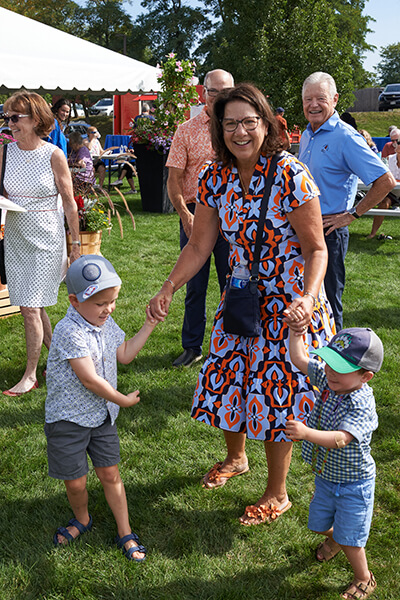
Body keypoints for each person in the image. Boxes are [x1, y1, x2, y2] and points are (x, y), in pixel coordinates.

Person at [149, 82, 334, 525]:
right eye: (230, 123)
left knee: (276, 395)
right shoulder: (216, 177)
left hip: (290, 304)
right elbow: (199, 245)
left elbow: (316, 249)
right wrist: (169, 286)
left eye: (248, 122)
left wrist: (307, 299)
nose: (239, 132)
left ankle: (277, 492)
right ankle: (236, 459)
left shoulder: (291, 173)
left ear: (265, 124)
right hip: (241, 295)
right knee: (232, 379)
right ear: (219, 128)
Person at [45, 255, 160, 561]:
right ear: (74, 301)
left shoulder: (105, 322)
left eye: (112, 301)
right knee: (76, 481)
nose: (108, 309)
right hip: (67, 419)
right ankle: (82, 519)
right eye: (100, 303)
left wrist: (148, 326)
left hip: (101, 417)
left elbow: (123, 354)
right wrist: (121, 399)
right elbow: (90, 380)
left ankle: (125, 531)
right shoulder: (69, 330)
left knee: (110, 474)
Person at [285, 326, 383, 600]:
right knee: (317, 524)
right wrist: (296, 332)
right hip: (328, 476)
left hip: (355, 484)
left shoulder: (361, 403)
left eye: (338, 368)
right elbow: (300, 359)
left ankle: (364, 578)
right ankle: (337, 537)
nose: (328, 371)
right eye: (328, 362)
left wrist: (306, 433)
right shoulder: (332, 380)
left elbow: (341, 438)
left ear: (365, 376)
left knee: (352, 540)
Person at [298, 72, 395, 332]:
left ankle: (335, 365)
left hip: (329, 231)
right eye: (308, 99)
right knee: (303, 296)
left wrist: (352, 214)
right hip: (300, 229)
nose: (313, 104)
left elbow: (385, 181)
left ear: (335, 99)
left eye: (321, 98)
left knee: (328, 301)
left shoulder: (346, 137)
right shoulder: (308, 134)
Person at [1, 91, 80, 396]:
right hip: (17, 235)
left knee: (32, 309)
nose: (10, 123)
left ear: (35, 119)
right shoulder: (6, 152)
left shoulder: (53, 154)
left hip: (46, 237)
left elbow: (70, 202)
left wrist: (75, 246)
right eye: (7, 117)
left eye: (15, 118)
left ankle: (31, 375)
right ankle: (60, 357)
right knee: (30, 305)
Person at [166, 69, 234, 368]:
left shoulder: (240, 127)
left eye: (225, 91)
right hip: (196, 215)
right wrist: (184, 214)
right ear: (203, 93)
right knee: (194, 286)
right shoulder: (187, 130)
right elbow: (174, 178)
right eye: (213, 92)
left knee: (233, 285)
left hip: (234, 216)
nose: (219, 97)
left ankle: (232, 348)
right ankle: (192, 347)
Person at [367, 128, 400, 239]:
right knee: (384, 204)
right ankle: (373, 233)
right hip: (393, 191)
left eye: (398, 142)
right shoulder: (390, 159)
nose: (395, 144)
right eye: (394, 142)